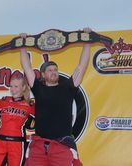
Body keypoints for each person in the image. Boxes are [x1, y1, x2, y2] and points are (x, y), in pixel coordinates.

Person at [20, 27, 91, 166]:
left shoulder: (68, 87)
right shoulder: (38, 87)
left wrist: (87, 41)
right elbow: (27, 67)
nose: (54, 72)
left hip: (61, 146)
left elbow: (81, 66)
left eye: (55, 69)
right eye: (50, 70)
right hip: (39, 146)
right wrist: (22, 44)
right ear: (43, 74)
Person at [0, 75, 35, 166]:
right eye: (11, 86)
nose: (12, 89)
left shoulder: (30, 104)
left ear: (23, 88)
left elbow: (43, 120)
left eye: (16, 86)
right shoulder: (4, 100)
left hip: (17, 144)